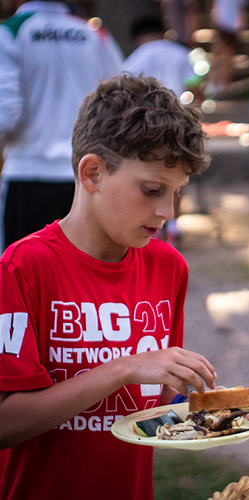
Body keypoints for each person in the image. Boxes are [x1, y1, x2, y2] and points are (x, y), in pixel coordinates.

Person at [0, 75, 216, 500]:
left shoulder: (168, 267)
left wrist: (211, 410)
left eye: (176, 193)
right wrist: (124, 368)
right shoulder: (22, 268)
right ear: (93, 173)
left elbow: (152, 409)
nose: (166, 211)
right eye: (152, 190)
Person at [0, 0, 123, 251]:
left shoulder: (9, 32)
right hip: (87, 180)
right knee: (81, 283)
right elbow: (121, 102)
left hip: (27, 173)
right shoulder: (94, 34)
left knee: (23, 282)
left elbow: (6, 112)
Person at [124, 14, 202, 246]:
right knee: (176, 177)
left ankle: (149, 226)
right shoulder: (179, 53)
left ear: (139, 37)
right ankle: (175, 226)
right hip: (177, 122)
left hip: (143, 126)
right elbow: (196, 87)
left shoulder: (135, 57)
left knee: (147, 178)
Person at [206, 0, 247, 99]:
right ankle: (219, 85)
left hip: (227, 21)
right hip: (226, 21)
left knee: (223, 53)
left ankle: (218, 84)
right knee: (224, 54)